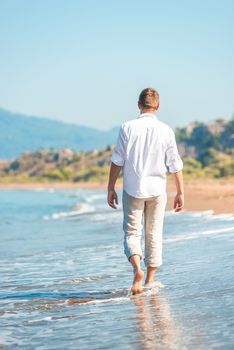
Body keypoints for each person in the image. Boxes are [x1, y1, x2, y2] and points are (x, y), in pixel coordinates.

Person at [107, 87, 184, 294]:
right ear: (157, 106)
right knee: (154, 233)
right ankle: (150, 280)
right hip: (157, 190)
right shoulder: (166, 130)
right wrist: (180, 192)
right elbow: (174, 164)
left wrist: (110, 188)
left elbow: (117, 160)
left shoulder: (127, 127)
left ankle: (137, 270)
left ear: (138, 105)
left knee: (132, 232)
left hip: (133, 189)